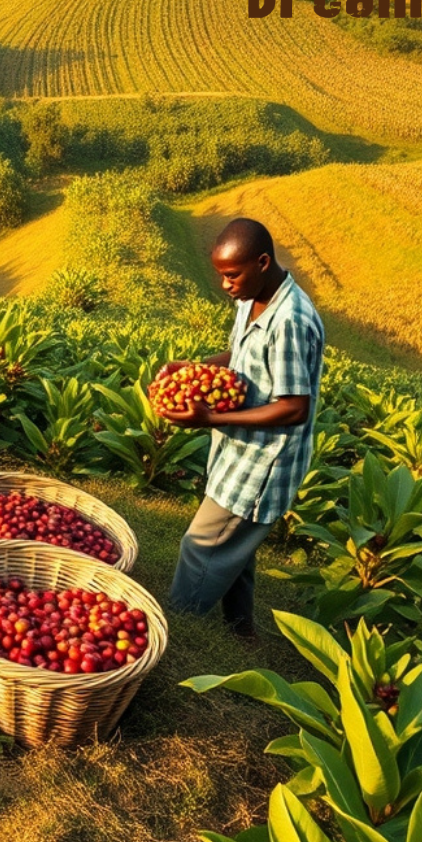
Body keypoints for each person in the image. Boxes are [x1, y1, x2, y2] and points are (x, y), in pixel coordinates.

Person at [157, 218, 324, 636]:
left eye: (232, 275)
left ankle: (179, 629)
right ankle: (240, 631)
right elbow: (242, 353)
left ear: (262, 262)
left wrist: (210, 419)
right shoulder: (253, 297)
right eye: (221, 275)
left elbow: (293, 407)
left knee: (202, 546)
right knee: (236, 551)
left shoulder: (290, 320)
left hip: (263, 462)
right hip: (239, 448)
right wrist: (194, 368)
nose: (225, 284)